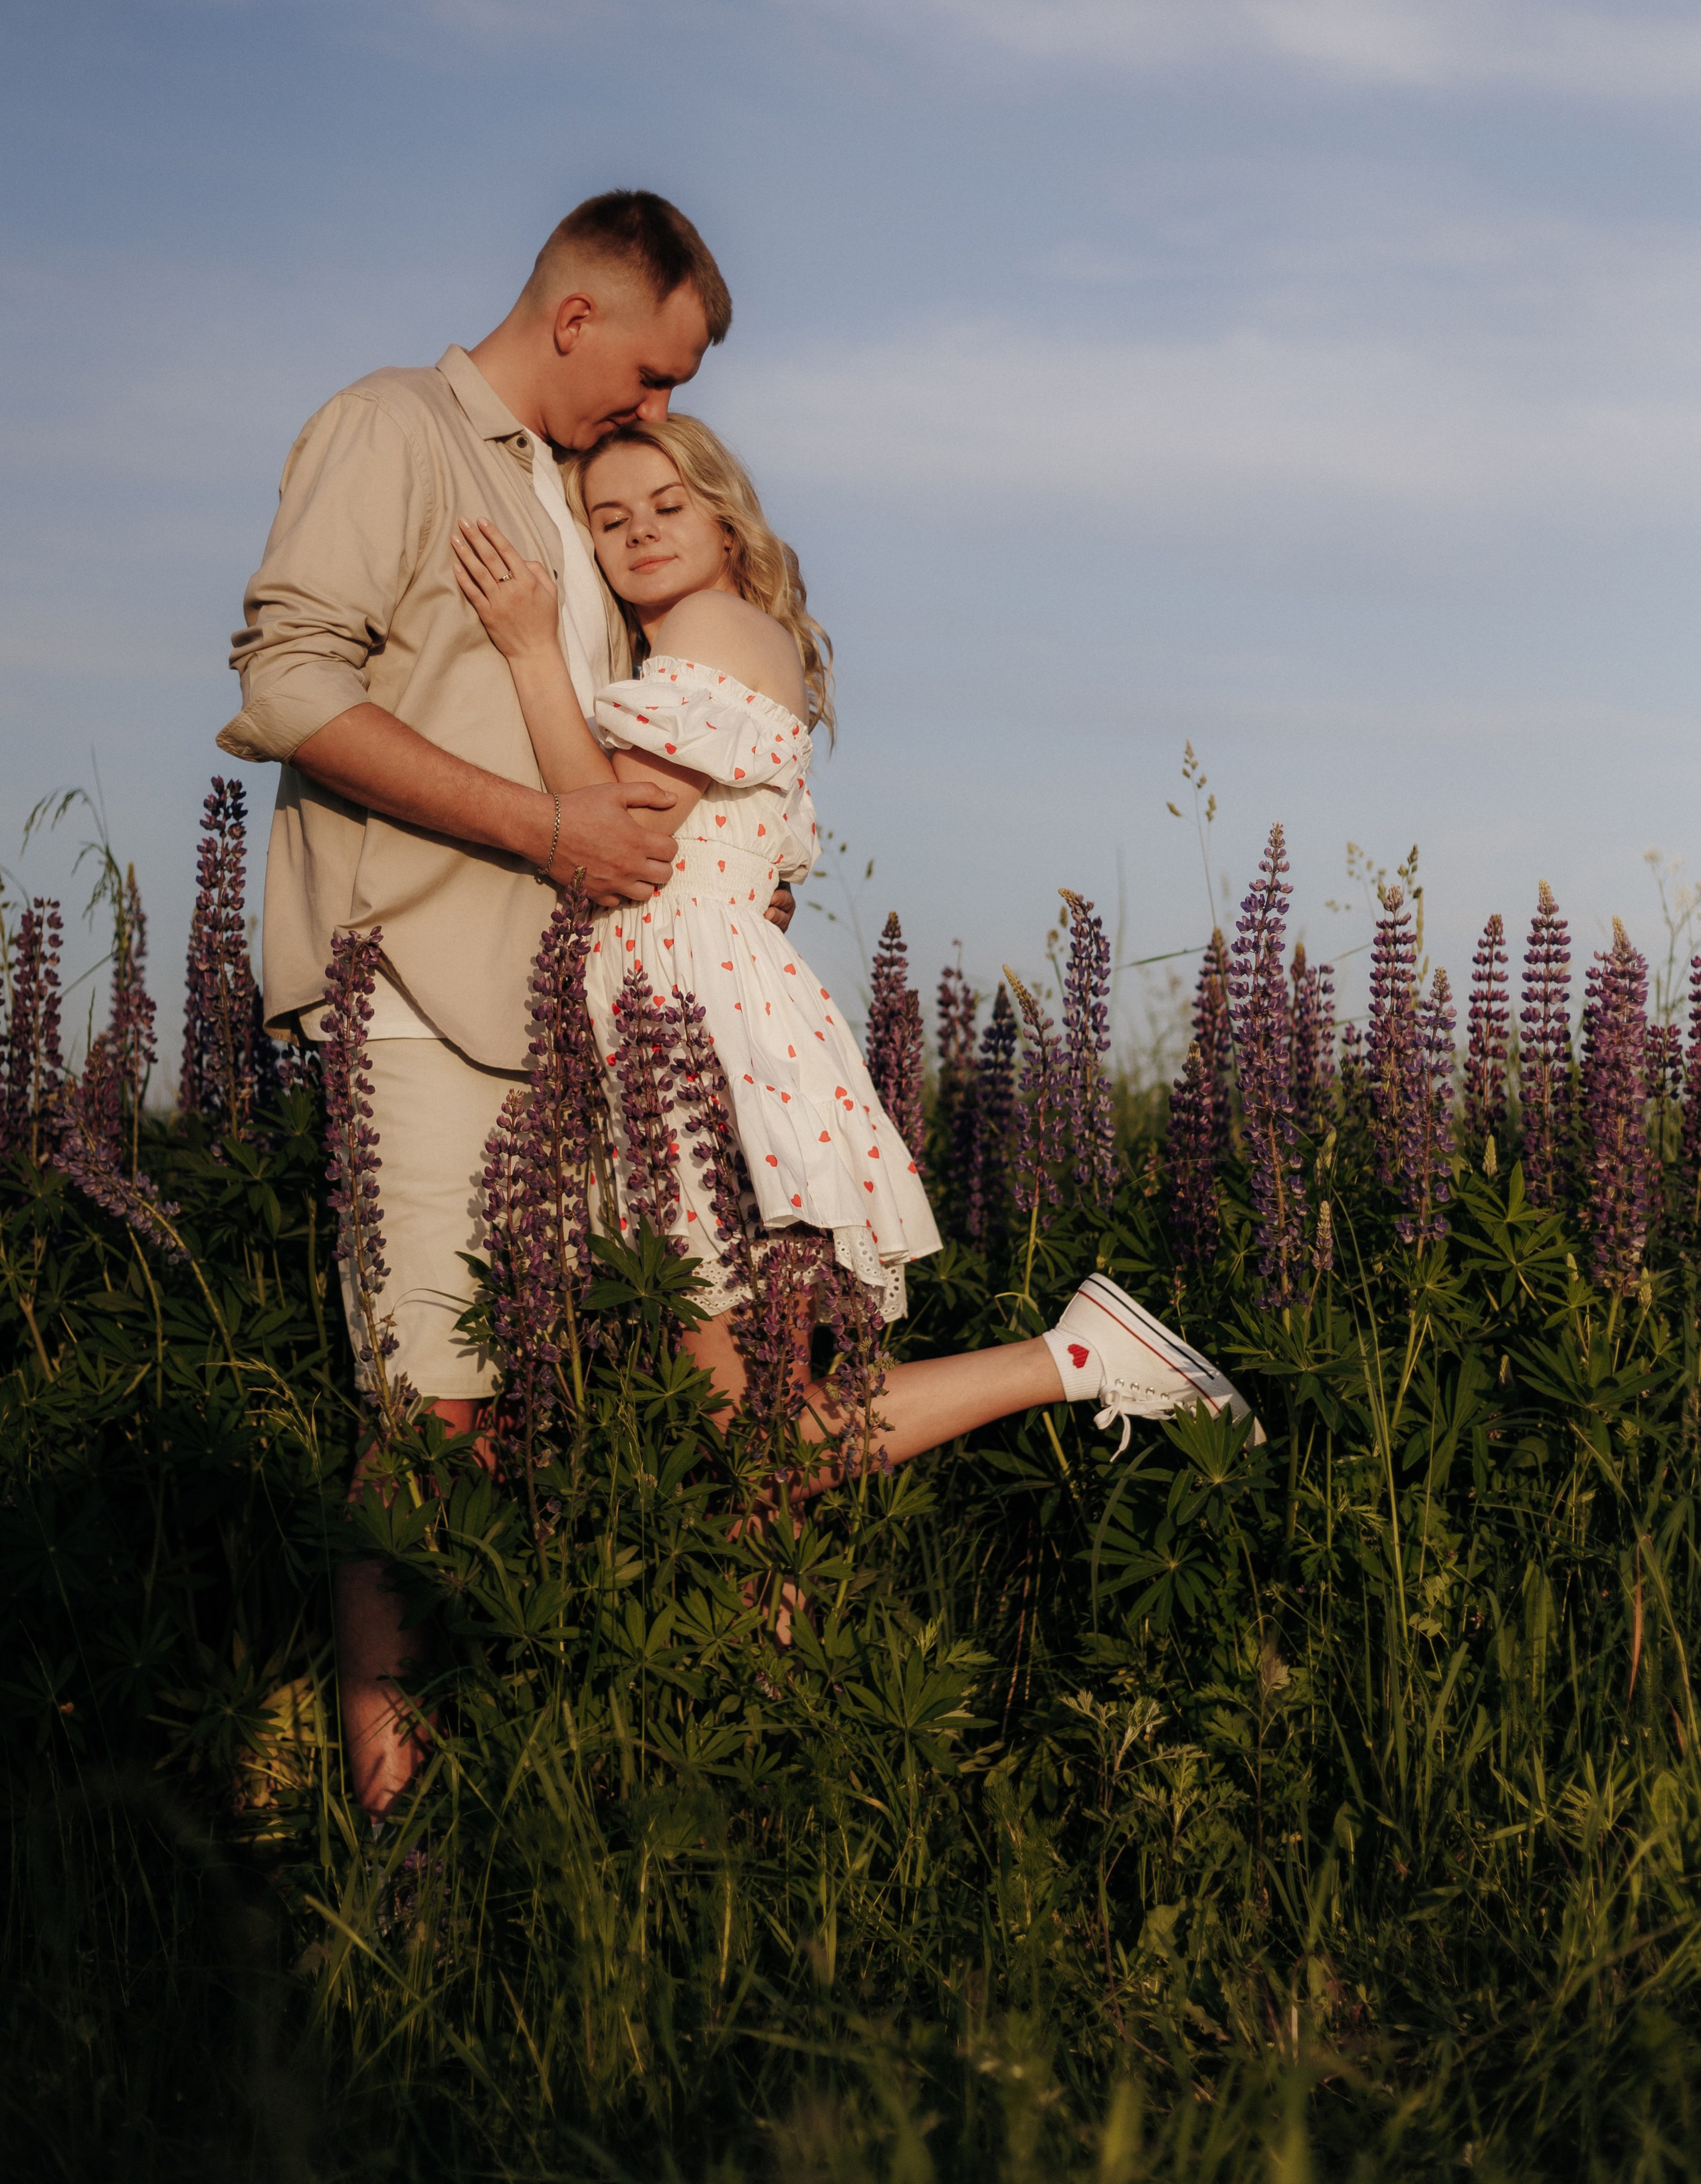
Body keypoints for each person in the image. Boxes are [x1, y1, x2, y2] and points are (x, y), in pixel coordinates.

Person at [450, 411, 1255, 1515]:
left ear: (727, 522)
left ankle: (1073, 1356)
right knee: (752, 1446)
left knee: (753, 1439)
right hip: (700, 1018)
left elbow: (613, 829)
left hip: (691, 1034)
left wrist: (530, 649)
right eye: (609, 517)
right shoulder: (702, 647)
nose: (639, 532)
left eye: (668, 506)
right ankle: (777, 1636)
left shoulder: (713, 623)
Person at [218, 190, 747, 1815]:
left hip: (562, 1014)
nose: (660, 408)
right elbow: (286, 685)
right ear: (575, 316)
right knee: (432, 1410)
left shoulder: (573, 491)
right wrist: (545, 830)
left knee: (539, 1413)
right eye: (652, 373)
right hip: (413, 995)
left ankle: (503, 1798)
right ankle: (399, 1845)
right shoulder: (392, 427)